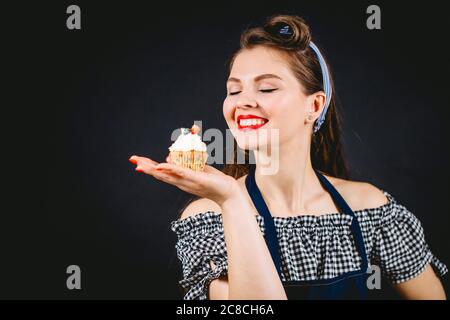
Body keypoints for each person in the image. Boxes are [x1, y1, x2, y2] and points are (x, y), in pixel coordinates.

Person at [128, 14, 447, 299]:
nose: (244, 102)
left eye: (266, 89)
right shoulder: (210, 215)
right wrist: (232, 201)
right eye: (234, 90)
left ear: (314, 106)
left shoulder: (370, 209)